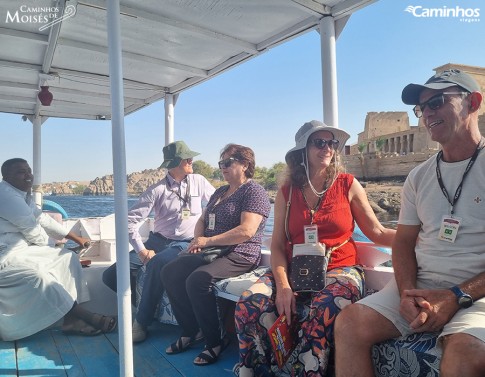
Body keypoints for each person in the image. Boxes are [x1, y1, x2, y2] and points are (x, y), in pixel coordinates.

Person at [334, 69, 485, 377]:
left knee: (466, 355)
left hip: (478, 293)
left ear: (473, 102)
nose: (427, 113)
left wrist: (456, 295)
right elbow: (403, 243)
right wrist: (406, 292)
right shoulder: (418, 176)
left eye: (437, 102)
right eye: (421, 108)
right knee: (349, 324)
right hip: (422, 284)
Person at [234, 120, 396, 376]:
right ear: (303, 151)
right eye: (319, 142)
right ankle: (254, 370)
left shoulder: (347, 184)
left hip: (340, 269)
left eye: (332, 143)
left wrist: (419, 238)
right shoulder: (287, 191)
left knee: (322, 307)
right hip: (293, 269)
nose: (328, 148)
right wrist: (284, 287)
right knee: (248, 303)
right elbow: (277, 245)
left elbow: (377, 232)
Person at [161, 143, 271, 366]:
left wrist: (207, 241)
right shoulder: (220, 191)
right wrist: (198, 241)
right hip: (212, 252)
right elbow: (202, 219)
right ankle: (191, 331)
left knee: (198, 280)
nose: (223, 167)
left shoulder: (254, 192)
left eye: (228, 162)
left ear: (245, 164)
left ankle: (214, 342)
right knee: (170, 271)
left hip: (240, 254)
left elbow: (246, 231)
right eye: (221, 163)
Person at [102, 140, 215, 342]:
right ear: (174, 163)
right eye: (186, 158)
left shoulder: (199, 180)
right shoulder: (157, 190)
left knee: (156, 264)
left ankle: (142, 321)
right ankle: (151, 308)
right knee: (111, 275)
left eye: (190, 157)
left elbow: (217, 204)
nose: (191, 160)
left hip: (185, 242)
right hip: (157, 241)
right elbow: (128, 221)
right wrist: (141, 250)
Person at [0, 158, 117, 341]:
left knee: (67, 257)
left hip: (23, 251)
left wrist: (76, 238)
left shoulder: (21, 194)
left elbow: (42, 219)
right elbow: (32, 229)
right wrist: (53, 245)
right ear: (6, 177)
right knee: (38, 275)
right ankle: (84, 316)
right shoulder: (6, 195)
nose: (28, 174)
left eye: (29, 170)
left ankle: (70, 318)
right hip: (6, 256)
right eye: (21, 172)